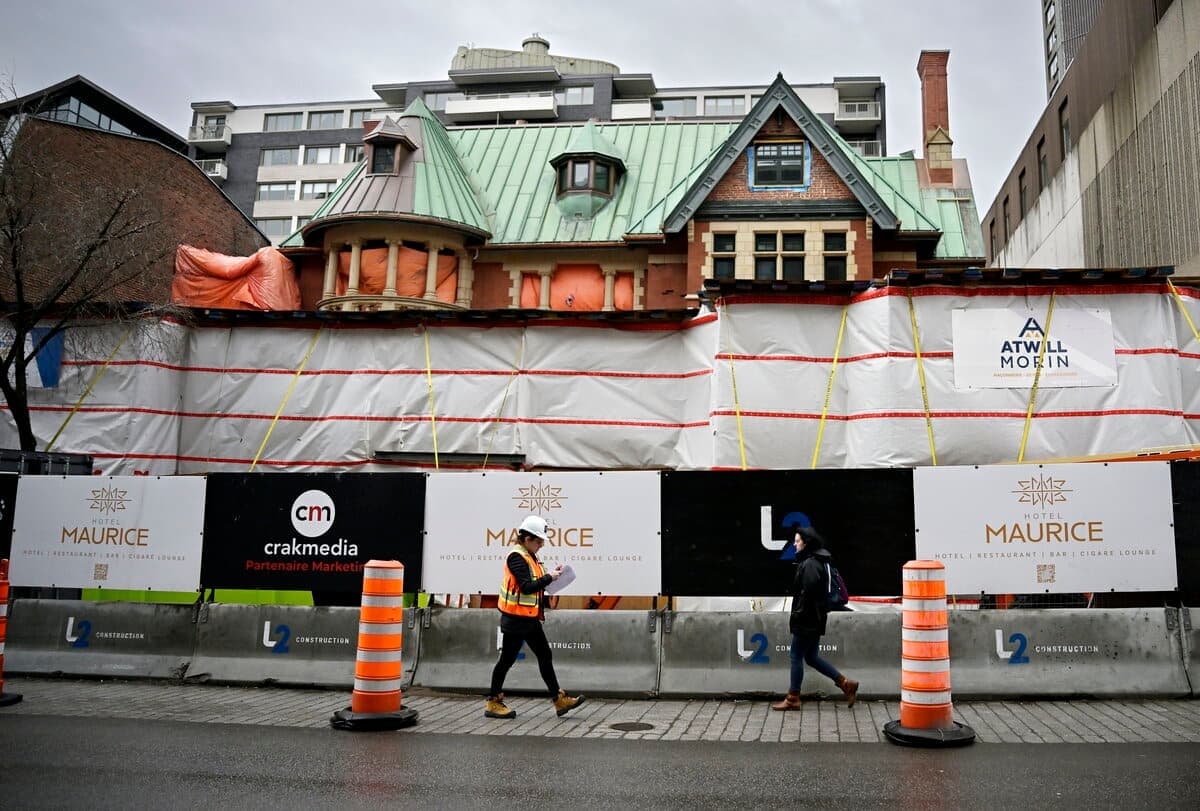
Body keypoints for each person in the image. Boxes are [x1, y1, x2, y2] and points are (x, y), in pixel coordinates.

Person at [484, 514, 585, 719]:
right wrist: (549, 577)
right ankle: (493, 702)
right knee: (506, 660)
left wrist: (553, 576)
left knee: (544, 655)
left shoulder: (530, 556)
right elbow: (527, 587)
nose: (541, 545)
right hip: (515, 619)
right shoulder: (516, 557)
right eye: (539, 541)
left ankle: (558, 699)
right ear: (527, 538)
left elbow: (536, 582)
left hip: (528, 618)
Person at [771, 526, 859, 710]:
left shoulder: (810, 563)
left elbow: (810, 592)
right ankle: (845, 684)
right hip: (816, 618)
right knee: (811, 657)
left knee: (795, 656)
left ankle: (793, 698)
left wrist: (798, 614)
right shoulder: (820, 560)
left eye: (797, 541)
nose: (794, 544)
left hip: (807, 619)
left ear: (806, 543)